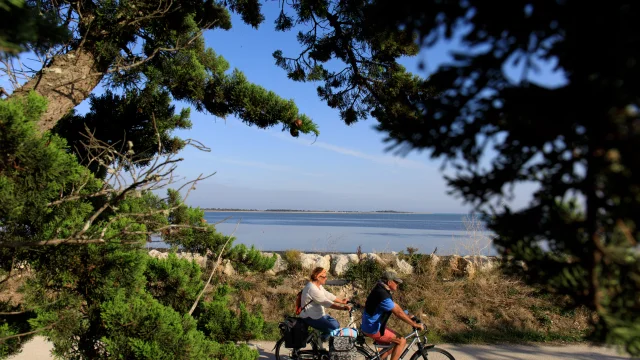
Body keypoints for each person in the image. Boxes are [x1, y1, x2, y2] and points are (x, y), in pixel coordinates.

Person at [361, 270, 424, 360]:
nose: (397, 285)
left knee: (391, 344)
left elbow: (396, 307)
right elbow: (397, 312)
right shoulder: (382, 294)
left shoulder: (381, 290)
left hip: (371, 325)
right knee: (401, 340)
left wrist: (408, 315)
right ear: (389, 282)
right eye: (396, 282)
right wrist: (414, 324)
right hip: (373, 327)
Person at [299, 267, 351, 340]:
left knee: (336, 325)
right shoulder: (312, 288)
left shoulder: (318, 286)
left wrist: (342, 301)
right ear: (318, 277)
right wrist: (342, 308)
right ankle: (321, 341)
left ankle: (321, 339)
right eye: (324, 276)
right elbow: (326, 302)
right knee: (333, 330)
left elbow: (327, 295)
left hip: (319, 315)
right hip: (310, 317)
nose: (326, 278)